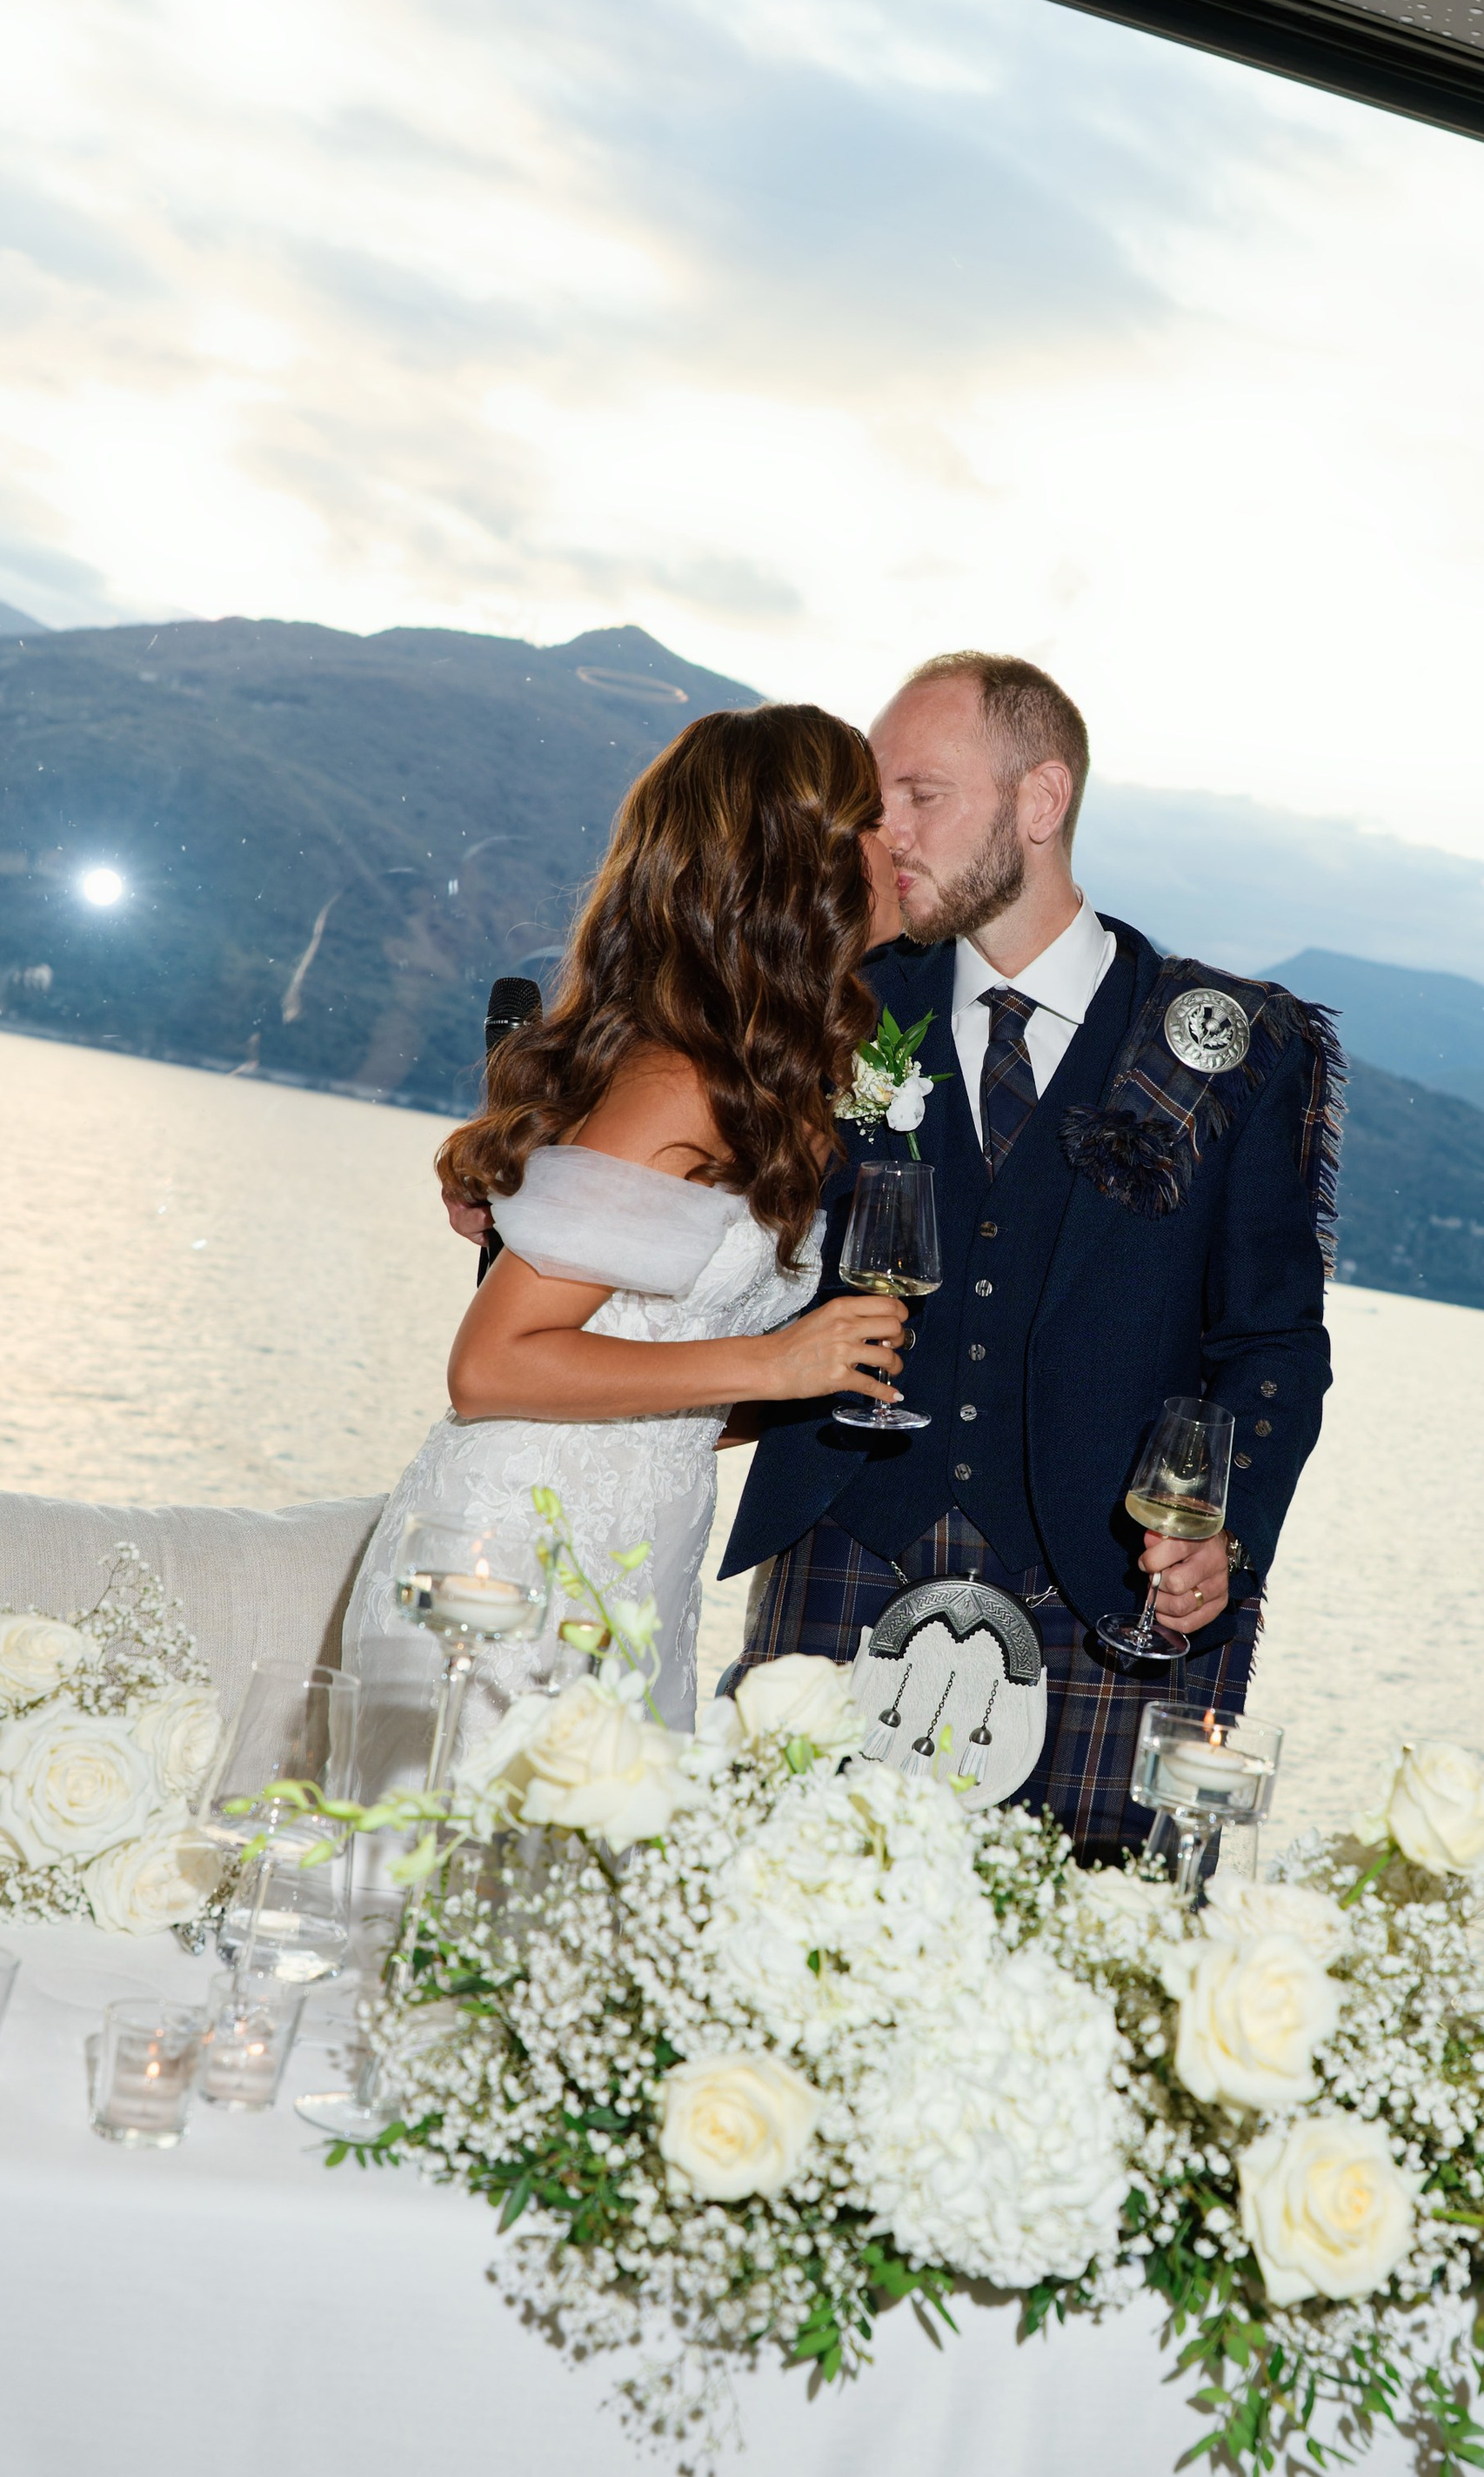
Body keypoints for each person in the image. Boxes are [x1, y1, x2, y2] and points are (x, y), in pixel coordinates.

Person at [722, 651, 1340, 1858]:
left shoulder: (1231, 1050)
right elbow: (700, 1192)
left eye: (921, 795)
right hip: (848, 1548)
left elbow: (1272, 1341)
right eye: (873, 802)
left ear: (1039, 802)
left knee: (1085, 1986)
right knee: (772, 1941)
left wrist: (1228, 1529)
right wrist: (529, 1184)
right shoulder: (838, 1001)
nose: (883, 832)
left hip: (1111, 1597)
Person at [344, 703, 908, 1759]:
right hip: (510, 1581)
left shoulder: (732, 1072)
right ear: (804, 867)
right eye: (873, 819)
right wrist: (779, 1361)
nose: (900, 844)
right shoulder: (674, 1085)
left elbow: (655, 1371)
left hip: (625, 1564)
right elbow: (493, 1363)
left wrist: (785, 1388)